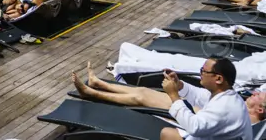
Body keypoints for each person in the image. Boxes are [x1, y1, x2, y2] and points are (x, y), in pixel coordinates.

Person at [71, 62, 266, 126]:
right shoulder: (237, 104)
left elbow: (199, 127)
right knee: (144, 91)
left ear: (259, 109)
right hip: (195, 112)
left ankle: (91, 93)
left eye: (259, 96)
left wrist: (174, 97)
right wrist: (179, 85)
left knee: (142, 97)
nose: (255, 93)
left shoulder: (247, 121)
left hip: (192, 119)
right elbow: (202, 97)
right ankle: (98, 83)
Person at [161, 59, 252, 140]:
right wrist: (179, 85)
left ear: (219, 79)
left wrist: (173, 95)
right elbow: (198, 95)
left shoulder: (224, 106)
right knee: (167, 133)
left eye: (203, 71)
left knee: (167, 134)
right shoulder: (227, 95)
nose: (201, 73)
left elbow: (194, 127)